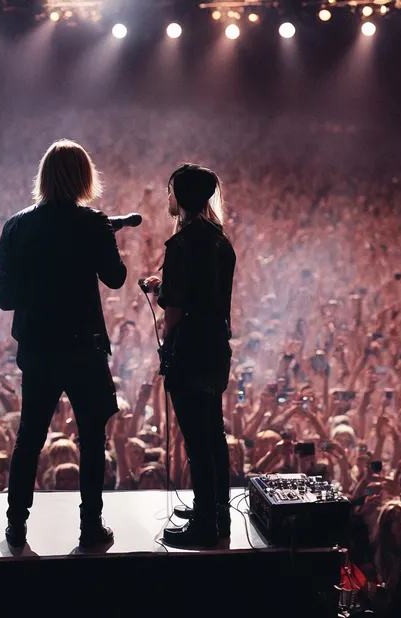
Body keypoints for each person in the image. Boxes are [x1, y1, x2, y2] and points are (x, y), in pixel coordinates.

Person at [0, 139, 126, 549]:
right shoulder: (93, 222)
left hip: (39, 349)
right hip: (84, 348)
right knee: (91, 439)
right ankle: (90, 526)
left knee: (29, 439)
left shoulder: (17, 225)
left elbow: (2, 297)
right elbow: (116, 278)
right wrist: (104, 236)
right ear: (85, 177)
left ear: (44, 177)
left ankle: (16, 526)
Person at [143, 163, 236, 548]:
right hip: (216, 347)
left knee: (196, 440)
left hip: (190, 349)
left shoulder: (180, 245)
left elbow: (176, 310)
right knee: (212, 432)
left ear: (179, 196)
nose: (167, 198)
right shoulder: (219, 239)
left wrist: (167, 348)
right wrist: (162, 284)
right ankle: (217, 511)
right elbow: (206, 291)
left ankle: (203, 526)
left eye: (169, 191)